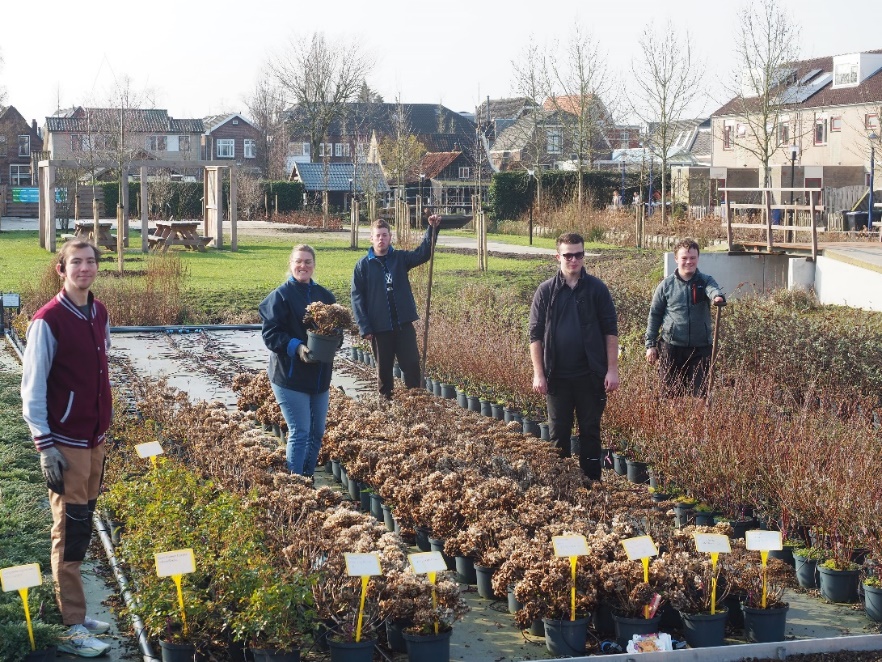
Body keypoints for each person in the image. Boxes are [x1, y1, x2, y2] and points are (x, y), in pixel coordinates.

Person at [21, 241, 112, 658]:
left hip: (95, 439)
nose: (85, 268)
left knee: (84, 521)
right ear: (61, 269)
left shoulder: (99, 312)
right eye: (76, 262)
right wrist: (45, 444)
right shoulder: (48, 321)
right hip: (66, 444)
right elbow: (33, 389)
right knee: (69, 529)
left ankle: (75, 611)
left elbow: (100, 364)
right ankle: (72, 624)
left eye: (91, 261)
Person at [529, 232, 620, 480]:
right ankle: (561, 484)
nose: (573, 260)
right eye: (568, 255)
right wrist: (539, 374)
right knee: (558, 433)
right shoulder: (545, 292)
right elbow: (534, 335)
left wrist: (612, 369)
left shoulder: (597, 290)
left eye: (578, 254)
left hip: (590, 376)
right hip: (557, 377)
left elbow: (610, 332)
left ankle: (591, 483)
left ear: (583, 255)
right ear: (558, 256)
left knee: (590, 432)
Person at [260, 244, 337, 477]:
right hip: (290, 376)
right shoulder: (280, 296)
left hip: (319, 377)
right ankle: (294, 485)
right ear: (291, 264)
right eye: (298, 261)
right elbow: (271, 335)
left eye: (307, 262)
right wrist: (298, 347)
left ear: (314, 266)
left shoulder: (325, 296)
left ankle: (307, 477)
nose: (303, 266)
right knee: (300, 431)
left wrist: (333, 343)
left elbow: (337, 332)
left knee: (317, 433)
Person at [351, 215, 441, 398]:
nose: (381, 239)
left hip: (403, 325)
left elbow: (423, 253)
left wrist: (432, 229)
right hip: (379, 327)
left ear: (390, 237)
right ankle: (386, 405)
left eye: (384, 235)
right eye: (377, 236)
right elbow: (356, 297)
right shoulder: (362, 266)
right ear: (371, 238)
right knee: (384, 371)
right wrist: (364, 327)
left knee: (412, 365)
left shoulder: (400, 258)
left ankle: (415, 402)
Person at [645, 238, 726, 397]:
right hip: (671, 347)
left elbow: (713, 290)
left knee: (701, 394)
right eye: (684, 258)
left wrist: (717, 297)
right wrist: (650, 345)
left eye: (693, 258)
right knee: (670, 395)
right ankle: (672, 422)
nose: (689, 262)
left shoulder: (705, 281)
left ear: (698, 258)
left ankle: (700, 422)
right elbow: (655, 315)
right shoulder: (666, 285)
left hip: (701, 348)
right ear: (676, 259)